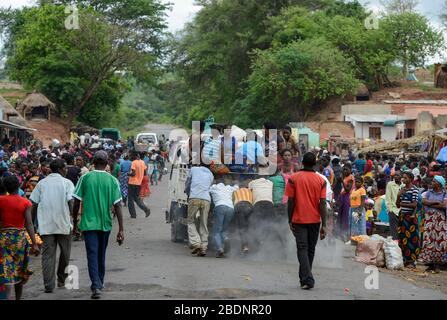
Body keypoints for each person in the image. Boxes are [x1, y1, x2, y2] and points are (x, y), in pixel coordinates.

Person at [73, 151, 124, 299]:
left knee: (92, 254)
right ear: (107, 163)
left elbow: (76, 201)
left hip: (88, 224)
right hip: (105, 223)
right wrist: (121, 229)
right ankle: (98, 283)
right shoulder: (113, 180)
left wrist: (75, 220)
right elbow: (118, 206)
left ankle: (96, 284)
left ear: (92, 162)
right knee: (101, 254)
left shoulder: (85, 178)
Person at [29, 159, 75, 293]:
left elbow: (34, 204)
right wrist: (74, 218)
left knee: (48, 256)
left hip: (46, 226)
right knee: (65, 254)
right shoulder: (67, 183)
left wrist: (31, 224)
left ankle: (49, 285)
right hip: (63, 224)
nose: (66, 170)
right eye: (65, 168)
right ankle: (61, 278)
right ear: (61, 169)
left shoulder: (41, 184)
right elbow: (71, 202)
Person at [286, 152, 327, 290]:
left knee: (302, 248)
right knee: (310, 249)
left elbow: (290, 201)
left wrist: (289, 219)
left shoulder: (293, 178)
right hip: (315, 220)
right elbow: (322, 203)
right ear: (315, 163)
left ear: (302, 162)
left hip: (299, 219)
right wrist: (325, 224)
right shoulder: (321, 181)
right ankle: (305, 277)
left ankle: (306, 278)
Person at [0, 175, 39, 300]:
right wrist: (34, 243)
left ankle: (5, 297)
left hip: (3, 238)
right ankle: (18, 298)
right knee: (20, 269)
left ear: (5, 187)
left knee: (5, 269)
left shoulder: (1, 200)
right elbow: (29, 224)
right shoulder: (26, 202)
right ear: (19, 186)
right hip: (19, 239)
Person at [420, 175, 447, 274]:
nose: (432, 183)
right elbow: (422, 201)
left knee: (439, 241)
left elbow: (443, 205)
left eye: (434, 182)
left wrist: (429, 203)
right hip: (429, 218)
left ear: (439, 184)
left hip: (440, 219)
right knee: (428, 239)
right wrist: (436, 202)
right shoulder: (428, 192)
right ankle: (430, 264)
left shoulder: (445, 194)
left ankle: (437, 264)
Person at [185, 165, 214, 257]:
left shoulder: (193, 169)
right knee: (204, 223)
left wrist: (187, 193)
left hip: (194, 197)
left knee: (190, 221)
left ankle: (196, 243)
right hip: (206, 199)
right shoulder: (211, 174)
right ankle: (204, 247)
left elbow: (188, 183)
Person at [396, 171, 421, 269]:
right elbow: (397, 205)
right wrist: (398, 195)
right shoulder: (402, 189)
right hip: (402, 216)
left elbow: (414, 204)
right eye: (403, 177)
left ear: (410, 179)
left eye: (405, 178)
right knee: (402, 238)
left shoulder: (414, 189)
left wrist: (402, 204)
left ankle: (412, 260)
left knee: (412, 239)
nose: (403, 179)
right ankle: (404, 259)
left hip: (410, 217)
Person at [209, 182, 238, 258]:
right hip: (231, 208)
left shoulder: (214, 187)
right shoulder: (228, 187)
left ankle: (220, 249)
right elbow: (236, 187)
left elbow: (207, 191)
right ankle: (226, 239)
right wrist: (236, 183)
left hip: (220, 206)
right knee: (224, 230)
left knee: (216, 230)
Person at [248, 177, 274, 251]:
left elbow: (249, 190)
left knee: (256, 224)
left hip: (258, 203)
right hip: (269, 203)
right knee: (269, 224)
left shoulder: (252, 182)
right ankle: (266, 243)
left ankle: (259, 243)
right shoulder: (270, 183)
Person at [127, 152, 151, 219]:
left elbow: (133, 174)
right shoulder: (142, 162)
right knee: (137, 198)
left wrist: (128, 174)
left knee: (130, 200)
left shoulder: (134, 162)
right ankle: (146, 209)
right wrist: (139, 175)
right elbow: (145, 173)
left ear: (134, 156)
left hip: (132, 183)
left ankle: (133, 215)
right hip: (138, 183)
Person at [233, 182, 254, 255]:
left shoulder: (235, 191)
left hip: (239, 207)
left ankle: (245, 246)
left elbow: (232, 201)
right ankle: (251, 246)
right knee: (248, 227)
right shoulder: (250, 191)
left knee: (241, 228)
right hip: (249, 207)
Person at [337, 164, 355, 242]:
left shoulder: (350, 177)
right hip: (343, 197)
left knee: (345, 216)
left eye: (346, 169)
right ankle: (341, 234)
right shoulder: (345, 177)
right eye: (343, 169)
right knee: (341, 215)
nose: (344, 171)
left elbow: (348, 189)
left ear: (350, 170)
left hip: (347, 197)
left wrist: (342, 182)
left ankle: (346, 235)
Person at [386, 171, 402, 240]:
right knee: (393, 231)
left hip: (402, 210)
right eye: (395, 175)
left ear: (401, 176)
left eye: (398, 175)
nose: (396, 177)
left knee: (402, 230)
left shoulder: (404, 185)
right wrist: (390, 210)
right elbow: (388, 198)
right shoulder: (390, 184)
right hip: (393, 210)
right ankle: (395, 245)